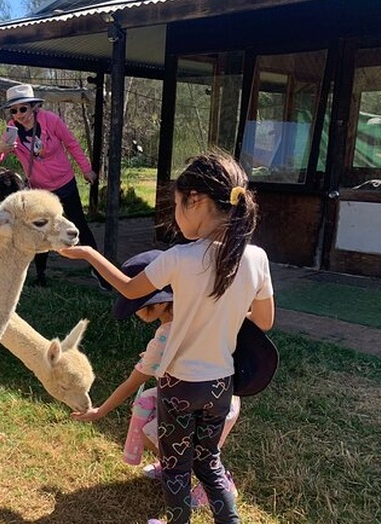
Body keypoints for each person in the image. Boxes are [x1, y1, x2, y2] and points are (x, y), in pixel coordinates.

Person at [59, 150, 274, 524]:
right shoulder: (256, 258)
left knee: (176, 467)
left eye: (177, 203)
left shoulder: (180, 257)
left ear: (196, 201)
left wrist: (91, 254)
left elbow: (129, 289)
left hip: (179, 385)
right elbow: (265, 321)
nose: (175, 212)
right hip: (222, 384)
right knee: (209, 462)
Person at [71, 250, 240, 509]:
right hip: (221, 397)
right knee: (155, 419)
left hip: (194, 405)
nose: (136, 313)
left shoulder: (164, 337)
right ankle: (173, 464)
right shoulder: (203, 315)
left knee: (195, 453)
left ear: (160, 303)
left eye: (137, 306)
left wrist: (99, 411)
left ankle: (213, 485)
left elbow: (132, 382)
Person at [0, 84, 110, 290]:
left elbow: (71, 143)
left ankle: (99, 270)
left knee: (79, 225)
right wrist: (0, 148)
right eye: (14, 110)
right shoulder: (12, 130)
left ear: (33, 107)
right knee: (41, 229)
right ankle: (41, 275)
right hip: (41, 190)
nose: (19, 114)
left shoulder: (50, 120)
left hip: (64, 183)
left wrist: (86, 169)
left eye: (23, 109)